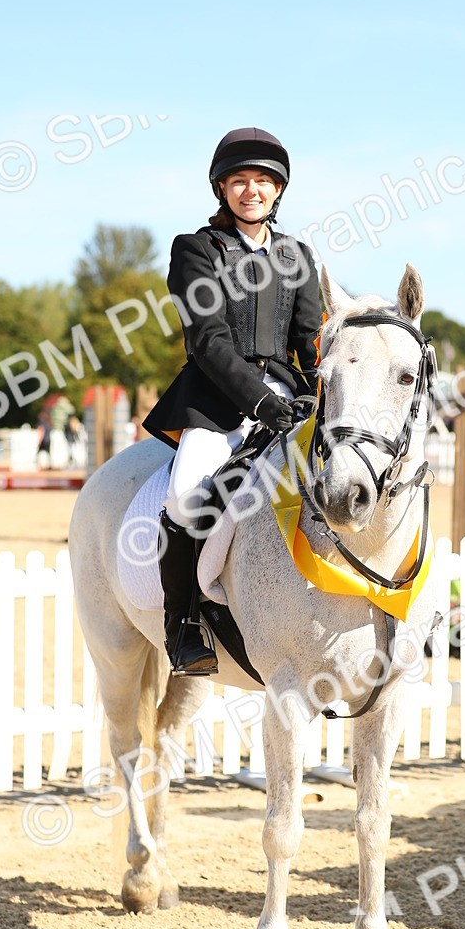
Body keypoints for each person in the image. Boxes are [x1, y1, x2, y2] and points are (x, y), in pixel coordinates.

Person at [143, 127, 322, 676]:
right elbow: (208, 340)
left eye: (263, 181)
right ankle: (183, 626)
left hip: (286, 396)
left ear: (278, 190)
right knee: (184, 497)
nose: (252, 190)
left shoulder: (297, 255)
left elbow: (310, 340)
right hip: (216, 399)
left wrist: (314, 394)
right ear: (222, 188)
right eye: (240, 181)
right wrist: (258, 401)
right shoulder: (195, 249)